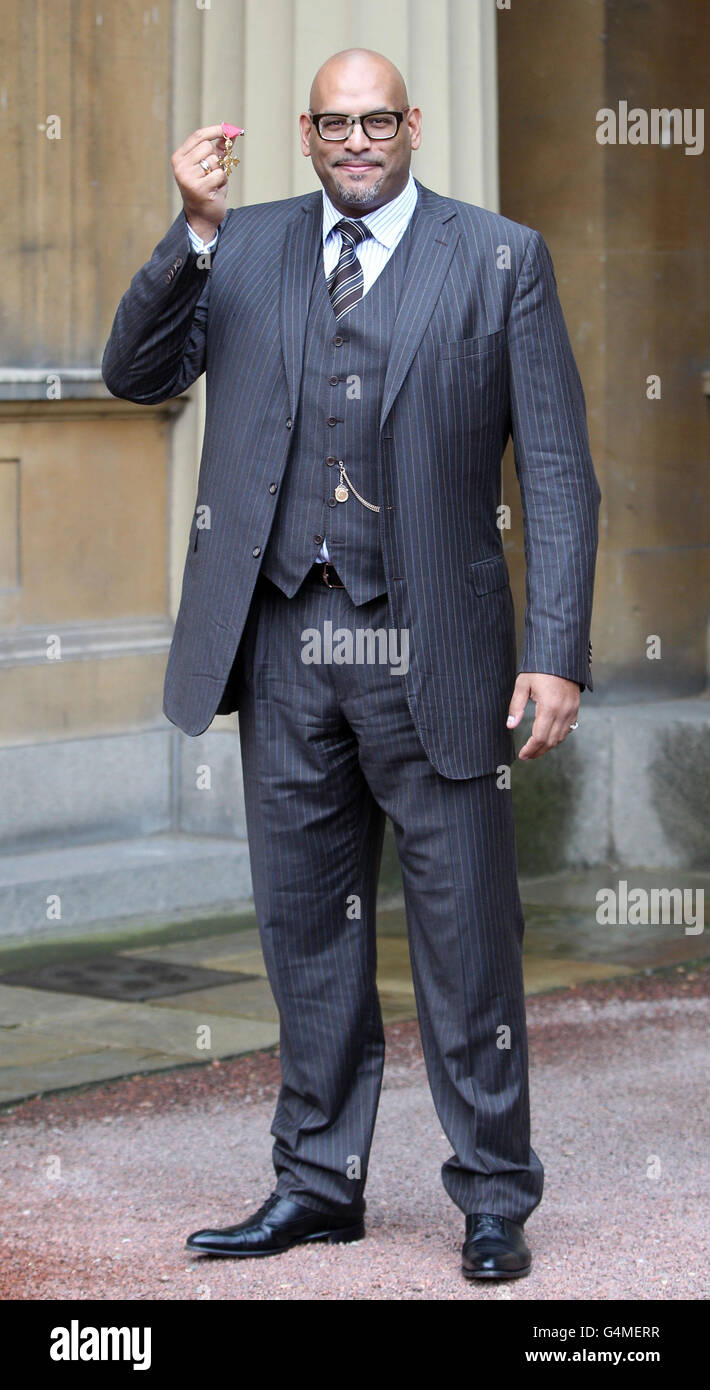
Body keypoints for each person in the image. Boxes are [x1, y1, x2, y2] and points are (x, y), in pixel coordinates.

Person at [102, 47, 601, 1281]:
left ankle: (492, 1194)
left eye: (378, 119)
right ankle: (317, 1183)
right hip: (281, 645)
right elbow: (134, 373)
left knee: (466, 933)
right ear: (308, 133)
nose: (358, 139)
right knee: (304, 934)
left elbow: (553, 469)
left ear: (413, 125)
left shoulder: (497, 257)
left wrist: (555, 653)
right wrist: (191, 232)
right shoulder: (252, 244)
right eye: (335, 123)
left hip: (434, 652)